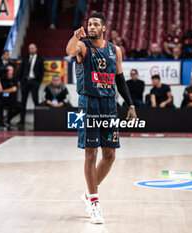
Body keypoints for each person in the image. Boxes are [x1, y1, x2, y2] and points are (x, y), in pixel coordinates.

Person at [66, 12, 137, 224]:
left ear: (104, 28)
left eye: (96, 24)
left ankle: (89, 193)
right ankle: (95, 202)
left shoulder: (115, 50)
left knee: (110, 156)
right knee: (90, 153)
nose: (92, 27)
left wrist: (131, 104)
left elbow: (120, 79)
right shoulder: (83, 46)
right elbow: (69, 51)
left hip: (109, 105)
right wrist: (75, 37)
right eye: (90, 24)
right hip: (88, 103)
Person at [18, 43, 44, 125]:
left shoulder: (40, 59)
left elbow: (41, 72)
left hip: (34, 82)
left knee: (36, 101)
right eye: (30, 48)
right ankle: (22, 121)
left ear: (36, 49)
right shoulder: (25, 59)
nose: (31, 50)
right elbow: (21, 71)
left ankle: (38, 120)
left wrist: (38, 83)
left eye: (32, 48)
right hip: (25, 82)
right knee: (23, 102)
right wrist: (20, 81)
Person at [0, 65, 22, 131]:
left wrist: (3, 91)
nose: (9, 72)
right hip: (1, 99)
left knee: (20, 107)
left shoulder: (15, 79)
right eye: (8, 70)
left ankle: (7, 119)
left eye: (11, 70)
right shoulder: (2, 78)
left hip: (11, 100)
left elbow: (14, 89)